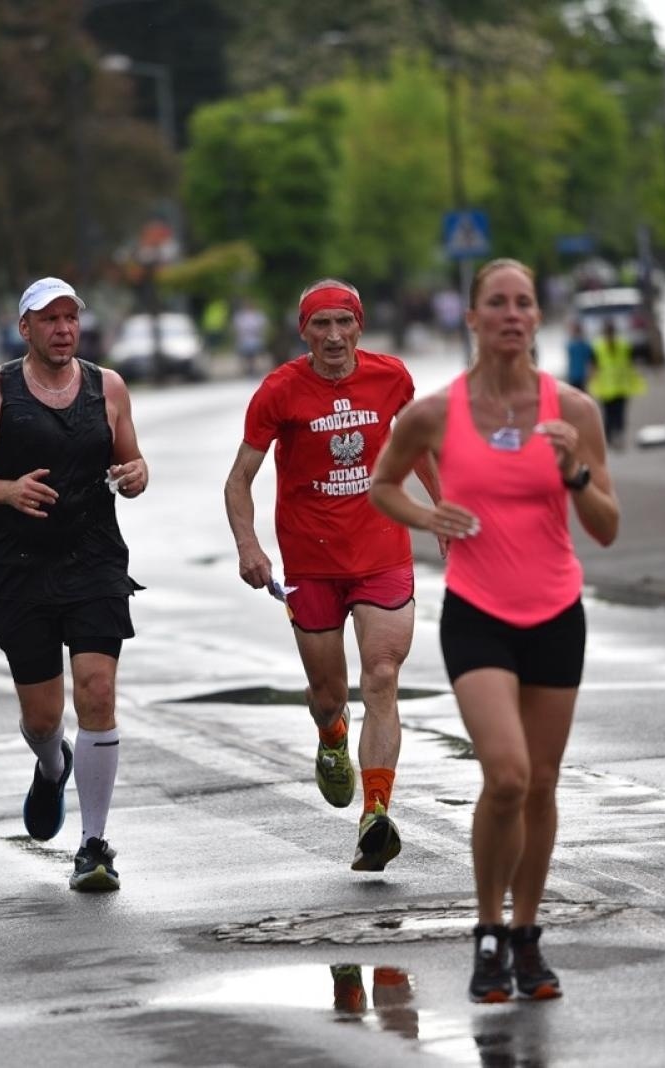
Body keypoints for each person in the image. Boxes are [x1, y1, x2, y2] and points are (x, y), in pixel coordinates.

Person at [368, 258, 619, 1004]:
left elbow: (606, 528)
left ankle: (526, 933)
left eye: (525, 303)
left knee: (541, 784)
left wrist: (576, 474)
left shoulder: (572, 410)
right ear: (472, 319)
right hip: (478, 612)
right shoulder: (436, 413)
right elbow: (384, 484)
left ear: (538, 319)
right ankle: (486, 927)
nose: (512, 314)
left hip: (555, 612)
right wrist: (426, 517)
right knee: (505, 775)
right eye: (496, 303)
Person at [223, 278, 441, 873]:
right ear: (305, 332)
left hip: (382, 551)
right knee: (328, 695)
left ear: (359, 325)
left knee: (383, 676)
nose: (334, 336)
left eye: (344, 322)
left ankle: (376, 814)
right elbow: (238, 480)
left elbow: (420, 447)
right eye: (321, 324)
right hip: (312, 561)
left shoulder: (391, 377)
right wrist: (250, 547)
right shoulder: (279, 392)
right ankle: (331, 736)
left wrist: (441, 515)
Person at [0, 277, 148, 893]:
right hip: (20, 567)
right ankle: (51, 764)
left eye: (70, 318)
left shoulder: (107, 386)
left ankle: (93, 844)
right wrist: (4, 490)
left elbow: (132, 465)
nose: (62, 329)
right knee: (42, 716)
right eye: (49, 319)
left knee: (98, 690)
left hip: (94, 559)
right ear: (24, 327)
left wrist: (135, 474)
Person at [589, 317, 644, 449]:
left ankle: (616, 437)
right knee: (612, 414)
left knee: (616, 414)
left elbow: (630, 363)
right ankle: (612, 437)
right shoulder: (601, 346)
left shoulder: (619, 345)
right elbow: (594, 366)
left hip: (616, 386)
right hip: (610, 386)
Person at [233, 299, 269, 377]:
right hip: (245, 340)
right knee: (246, 350)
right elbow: (238, 329)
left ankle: (253, 367)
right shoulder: (241, 316)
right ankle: (249, 368)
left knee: (254, 349)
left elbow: (262, 327)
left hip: (255, 339)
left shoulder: (258, 315)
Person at [564, 319, 593, 392]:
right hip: (575, 374)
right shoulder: (573, 344)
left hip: (581, 375)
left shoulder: (583, 345)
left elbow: (589, 361)